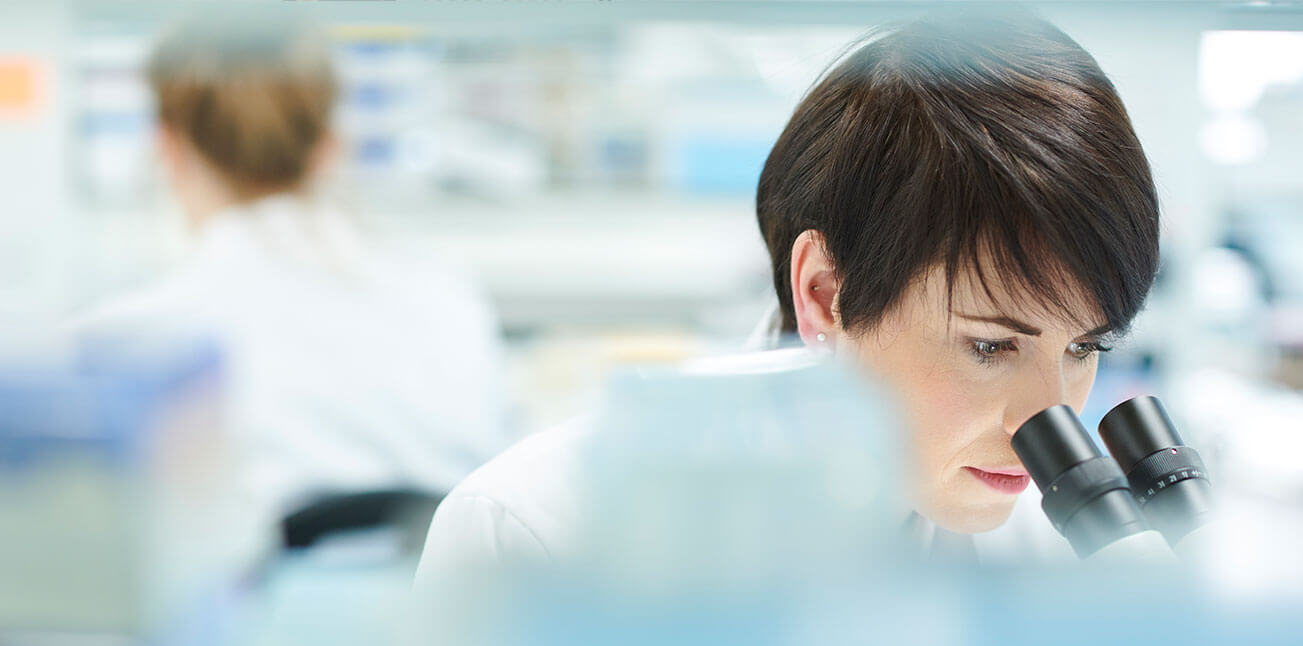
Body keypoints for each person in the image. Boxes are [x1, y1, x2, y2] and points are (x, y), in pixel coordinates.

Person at [415, 9, 1158, 585]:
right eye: (990, 346)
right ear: (825, 295)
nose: (1049, 419)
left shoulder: (1057, 559)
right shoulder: (537, 537)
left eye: (1085, 347)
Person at [75, 17, 507, 538]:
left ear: (168, 147)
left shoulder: (130, 343)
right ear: (329, 145)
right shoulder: (447, 300)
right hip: (442, 612)